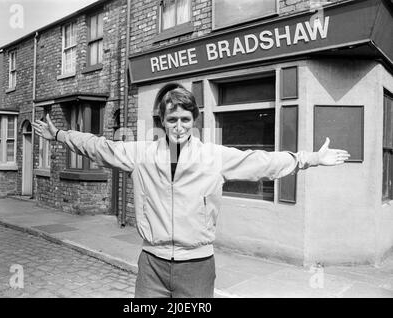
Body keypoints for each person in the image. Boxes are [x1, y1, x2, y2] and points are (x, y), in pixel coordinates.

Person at [32, 86, 350, 298]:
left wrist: (312, 159)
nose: (179, 126)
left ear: (194, 120)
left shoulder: (213, 157)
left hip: (197, 267)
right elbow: (100, 147)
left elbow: (262, 162)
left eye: (186, 119)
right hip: (151, 265)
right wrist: (60, 134)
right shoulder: (142, 153)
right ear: (162, 121)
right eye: (172, 119)